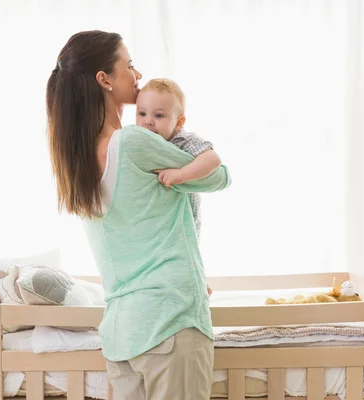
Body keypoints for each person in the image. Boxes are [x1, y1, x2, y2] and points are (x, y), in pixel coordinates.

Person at [46, 30, 231, 400]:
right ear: (105, 80)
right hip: (169, 320)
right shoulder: (132, 143)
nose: (138, 73)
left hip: (121, 336)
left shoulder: (76, 162)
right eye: (128, 65)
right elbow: (218, 176)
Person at [135, 78, 221, 241]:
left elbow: (212, 159)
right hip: (155, 223)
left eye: (158, 115)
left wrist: (182, 173)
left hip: (183, 223)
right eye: (142, 113)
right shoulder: (138, 139)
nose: (148, 121)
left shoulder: (183, 140)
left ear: (179, 122)